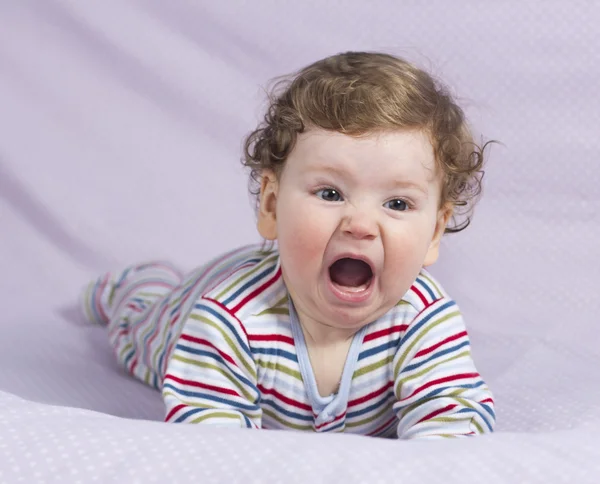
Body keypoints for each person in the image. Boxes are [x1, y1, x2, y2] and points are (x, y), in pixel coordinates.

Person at [81, 51, 496, 439]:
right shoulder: (227, 320)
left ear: (435, 233)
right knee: (138, 321)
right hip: (183, 311)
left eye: (397, 203)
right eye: (331, 194)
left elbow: (453, 434)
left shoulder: (425, 319)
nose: (361, 225)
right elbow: (207, 452)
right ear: (272, 204)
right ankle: (132, 284)